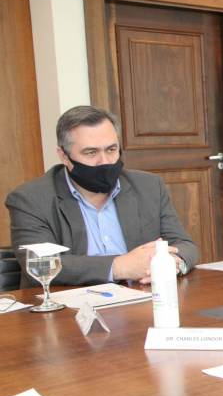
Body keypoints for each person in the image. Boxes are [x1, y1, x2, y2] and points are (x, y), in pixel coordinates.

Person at [6, 106, 198, 288]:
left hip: (142, 298)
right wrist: (120, 266)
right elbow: (42, 264)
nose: (104, 162)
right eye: (91, 153)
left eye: (111, 150)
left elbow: (184, 245)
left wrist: (172, 263)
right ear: (64, 156)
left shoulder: (148, 186)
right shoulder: (30, 199)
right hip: (70, 304)